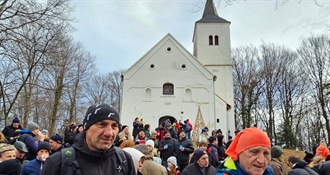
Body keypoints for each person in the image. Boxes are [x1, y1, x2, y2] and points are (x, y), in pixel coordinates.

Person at [40, 103, 136, 175]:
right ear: (86, 129)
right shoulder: (58, 162)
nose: (109, 133)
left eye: (114, 126)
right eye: (102, 124)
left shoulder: (124, 160)